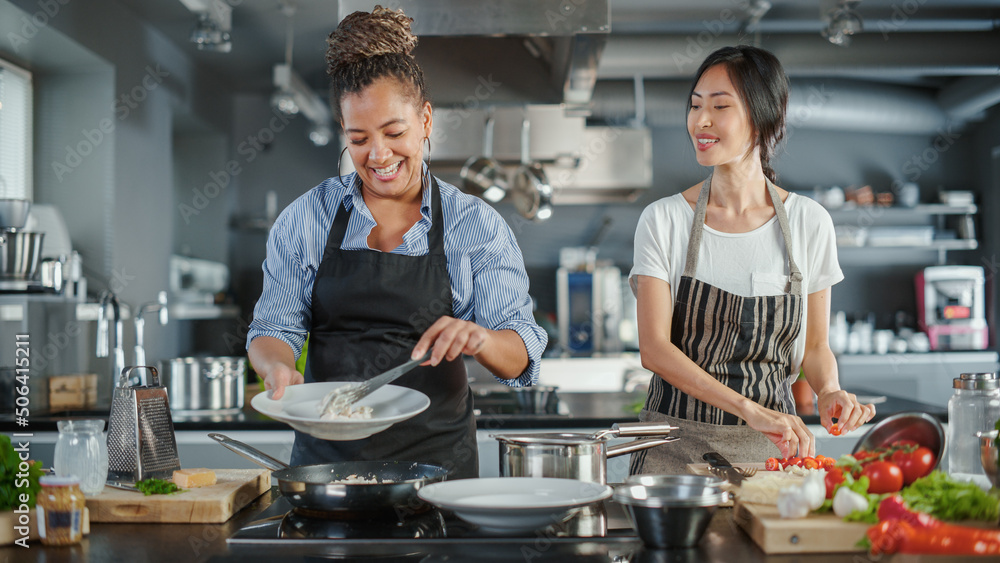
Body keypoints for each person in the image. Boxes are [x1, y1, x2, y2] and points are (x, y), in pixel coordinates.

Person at [246, 6, 546, 479]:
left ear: (426, 120)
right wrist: (277, 369)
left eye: (394, 132)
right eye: (359, 138)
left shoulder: (476, 225)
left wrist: (481, 338)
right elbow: (273, 328)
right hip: (327, 469)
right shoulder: (307, 218)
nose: (378, 155)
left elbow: (518, 358)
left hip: (438, 471)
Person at [627, 45, 876, 474]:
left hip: (774, 453)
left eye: (719, 106)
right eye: (694, 105)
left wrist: (829, 391)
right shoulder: (665, 220)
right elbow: (654, 349)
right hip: (674, 453)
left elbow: (815, 348)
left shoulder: (809, 223)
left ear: (763, 119)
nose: (700, 121)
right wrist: (749, 409)